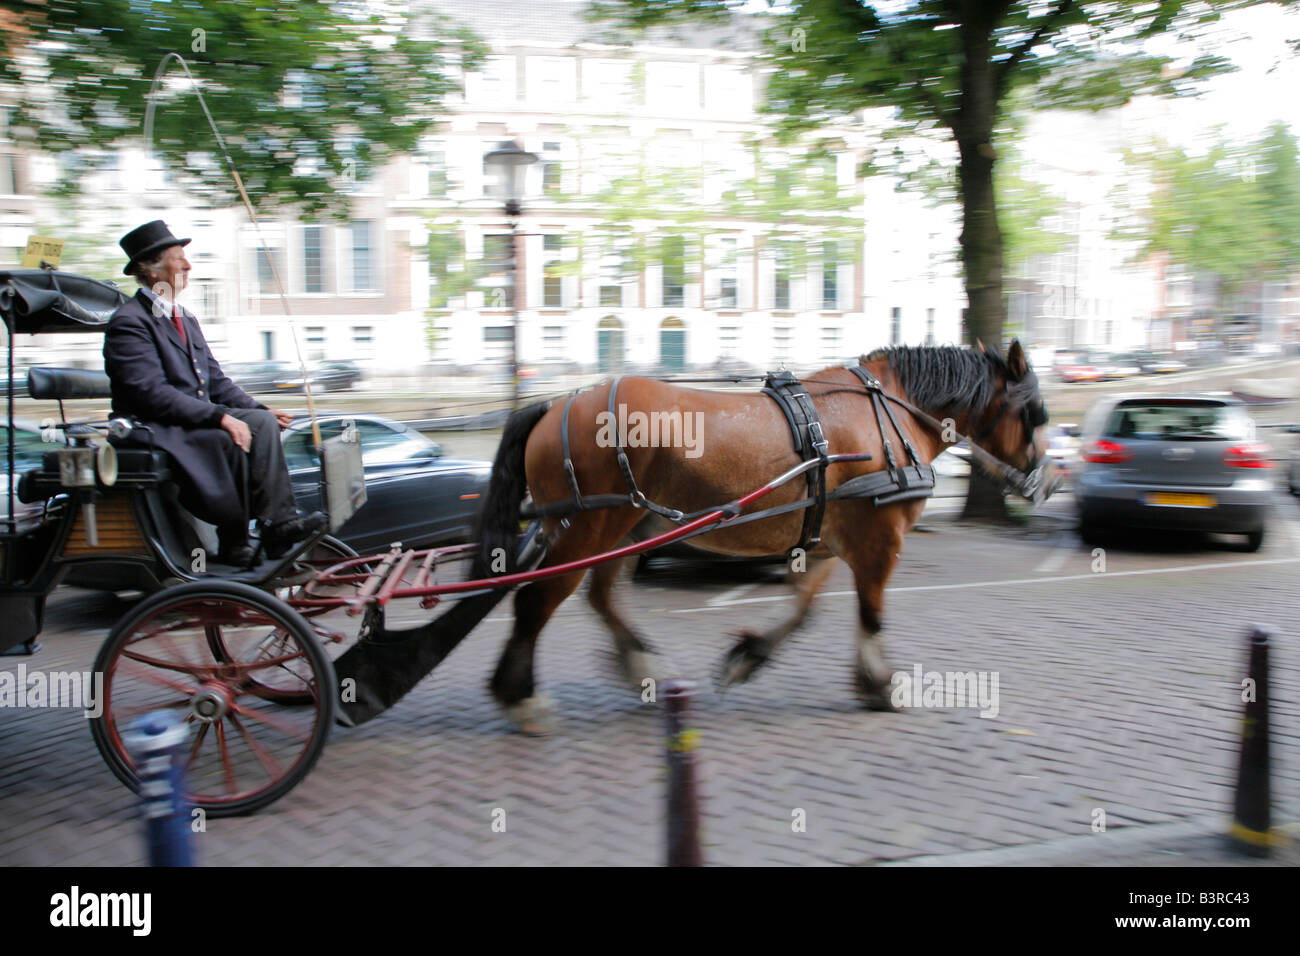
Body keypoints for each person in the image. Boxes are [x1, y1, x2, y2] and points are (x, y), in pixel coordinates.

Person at [104, 220, 325, 566]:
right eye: (178, 259)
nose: (188, 266)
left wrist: (258, 408)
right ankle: (235, 541)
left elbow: (216, 381)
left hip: (188, 420)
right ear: (150, 270)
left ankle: (278, 526)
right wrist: (220, 417)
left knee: (260, 424)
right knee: (231, 437)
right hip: (155, 427)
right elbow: (151, 394)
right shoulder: (130, 322)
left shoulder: (185, 318)